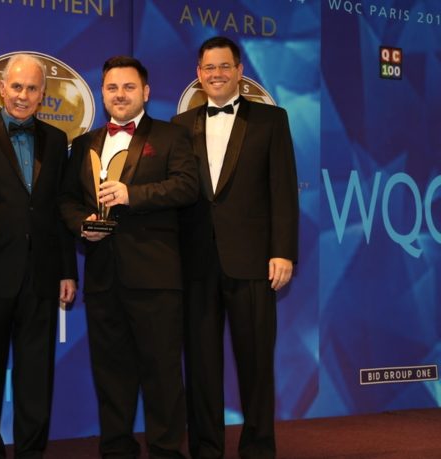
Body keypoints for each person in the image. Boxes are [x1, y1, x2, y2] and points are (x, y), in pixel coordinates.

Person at [60, 56, 199, 459]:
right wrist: (79, 223)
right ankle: (117, 450)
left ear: (146, 92)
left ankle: (166, 451)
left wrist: (131, 194)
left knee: (163, 375)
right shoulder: (85, 144)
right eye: (112, 88)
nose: (120, 95)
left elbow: (187, 187)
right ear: (102, 93)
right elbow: (67, 199)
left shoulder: (172, 137)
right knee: (111, 377)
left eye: (128, 87)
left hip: (156, 278)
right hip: (104, 279)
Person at [171, 36, 299, 459]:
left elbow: (283, 191)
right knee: (202, 366)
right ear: (198, 74)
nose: (217, 74)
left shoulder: (271, 120)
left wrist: (283, 251)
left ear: (240, 71)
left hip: (253, 262)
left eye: (225, 66)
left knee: (256, 363)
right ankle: (206, 448)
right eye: (209, 68)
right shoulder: (180, 126)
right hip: (196, 263)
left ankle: (259, 447)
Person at [0, 53, 78, 459]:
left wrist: (68, 271)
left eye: (32, 88)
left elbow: (58, 208)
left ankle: (31, 452)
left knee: (36, 376)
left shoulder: (57, 140)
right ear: (2, 88)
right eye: (16, 86)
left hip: (42, 275)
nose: (23, 95)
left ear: (43, 94)